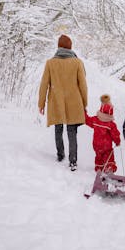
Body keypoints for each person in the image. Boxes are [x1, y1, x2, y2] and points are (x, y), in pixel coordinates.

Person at [38, 34, 88, 170]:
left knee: (58, 128)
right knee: (72, 131)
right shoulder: (77, 62)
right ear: (70, 47)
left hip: (56, 101)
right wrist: (84, 102)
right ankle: (73, 161)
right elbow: (83, 84)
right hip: (74, 101)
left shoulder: (50, 63)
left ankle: (60, 154)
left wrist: (41, 103)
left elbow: (44, 84)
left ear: (59, 47)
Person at [84, 94, 121, 173]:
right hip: (107, 146)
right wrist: (117, 141)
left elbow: (87, 120)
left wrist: (84, 112)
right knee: (109, 157)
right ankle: (109, 168)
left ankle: (99, 169)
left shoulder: (95, 120)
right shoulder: (111, 124)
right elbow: (115, 135)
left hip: (96, 145)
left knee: (99, 156)